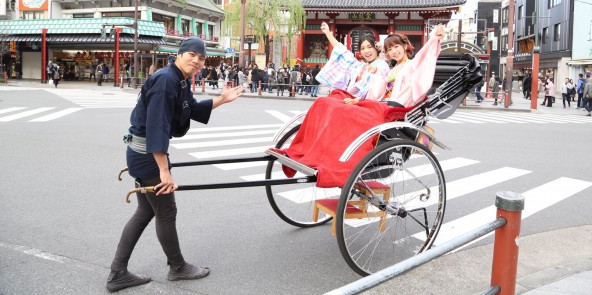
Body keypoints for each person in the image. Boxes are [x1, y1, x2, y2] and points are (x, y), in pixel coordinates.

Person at [106, 37, 245, 293]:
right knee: (166, 213)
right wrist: (163, 171)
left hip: (141, 154)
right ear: (179, 54)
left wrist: (222, 99)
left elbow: (190, 108)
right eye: (191, 54)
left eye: (201, 58)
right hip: (147, 155)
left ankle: (118, 272)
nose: (196, 60)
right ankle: (177, 267)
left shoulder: (178, 79)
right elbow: (156, 126)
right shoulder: (166, 80)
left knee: (146, 212)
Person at [271, 25, 444, 188]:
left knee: (345, 112)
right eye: (390, 49)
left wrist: (434, 39)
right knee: (326, 102)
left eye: (396, 47)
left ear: (406, 46)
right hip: (381, 105)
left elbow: (423, 59)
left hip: (395, 109)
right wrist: (373, 82)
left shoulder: (411, 67)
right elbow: (377, 93)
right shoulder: (390, 69)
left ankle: (335, 159)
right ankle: (313, 151)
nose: (393, 51)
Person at [314, 21, 389, 103]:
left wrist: (357, 100)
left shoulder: (382, 65)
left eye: (369, 47)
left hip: (365, 102)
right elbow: (342, 52)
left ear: (376, 48)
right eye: (362, 48)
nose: (366, 51)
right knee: (321, 101)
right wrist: (328, 33)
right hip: (351, 98)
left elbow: (377, 91)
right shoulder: (359, 66)